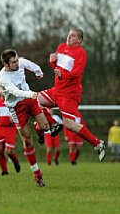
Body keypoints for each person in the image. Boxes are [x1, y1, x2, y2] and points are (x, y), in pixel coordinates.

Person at [38, 27, 106, 161]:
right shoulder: (61, 47)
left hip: (69, 95)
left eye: (73, 36)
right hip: (56, 90)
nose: (69, 37)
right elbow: (58, 69)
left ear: (80, 40)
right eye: (69, 35)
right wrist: (52, 62)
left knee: (70, 125)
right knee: (33, 100)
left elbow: (77, 73)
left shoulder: (81, 53)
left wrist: (62, 74)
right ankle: (51, 124)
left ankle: (98, 143)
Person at [0, 49, 62, 187]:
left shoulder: (20, 62)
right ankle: (37, 174)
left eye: (17, 60)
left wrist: (38, 72)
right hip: (16, 107)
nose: (17, 63)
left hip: (29, 99)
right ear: (6, 64)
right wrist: (30, 94)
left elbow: (29, 64)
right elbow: (14, 91)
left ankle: (38, 127)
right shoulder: (2, 77)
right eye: (13, 62)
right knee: (27, 141)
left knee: (46, 127)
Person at [0, 90, 20, 175]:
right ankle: (4, 171)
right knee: (0, 150)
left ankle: (15, 161)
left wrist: (15, 117)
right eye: (2, 89)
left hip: (10, 129)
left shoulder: (13, 101)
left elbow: (20, 112)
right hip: (0, 128)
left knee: (8, 151)